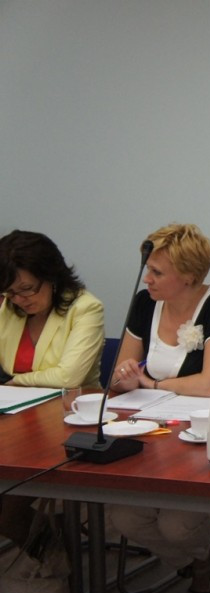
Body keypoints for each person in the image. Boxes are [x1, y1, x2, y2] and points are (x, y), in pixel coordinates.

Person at [107, 223, 210, 593]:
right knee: (124, 517)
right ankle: (199, 559)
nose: (146, 279)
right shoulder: (144, 303)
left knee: (177, 525)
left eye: (157, 271)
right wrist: (125, 378)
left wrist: (150, 384)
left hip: (202, 437)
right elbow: (119, 375)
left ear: (188, 276)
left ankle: (199, 553)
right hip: (151, 434)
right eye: (147, 269)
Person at [0, 230, 105, 566]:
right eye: (11, 292)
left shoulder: (85, 308)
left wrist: (16, 381)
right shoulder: (8, 307)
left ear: (52, 275)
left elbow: (68, 377)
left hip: (65, 425)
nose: (20, 299)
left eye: (27, 289)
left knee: (5, 511)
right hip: (14, 424)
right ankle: (54, 544)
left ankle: (58, 558)